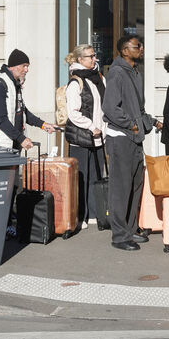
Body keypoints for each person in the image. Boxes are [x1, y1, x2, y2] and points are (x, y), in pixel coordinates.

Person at [102, 35, 162, 252]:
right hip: (120, 138)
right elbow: (110, 108)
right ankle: (119, 237)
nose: (141, 48)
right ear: (125, 50)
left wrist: (151, 122)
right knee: (121, 188)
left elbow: (138, 108)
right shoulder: (117, 73)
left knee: (135, 185)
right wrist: (131, 126)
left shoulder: (135, 71)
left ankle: (130, 229)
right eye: (137, 46)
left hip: (134, 138)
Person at [0, 49, 57, 150]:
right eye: (24, 66)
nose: (26, 70)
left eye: (27, 66)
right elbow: (1, 119)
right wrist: (21, 139)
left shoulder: (14, 84)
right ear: (13, 66)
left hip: (12, 144)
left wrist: (43, 125)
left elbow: (22, 112)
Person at [63, 44, 107, 229]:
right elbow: (73, 113)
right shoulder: (76, 82)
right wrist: (91, 126)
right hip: (82, 137)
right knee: (81, 178)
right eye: (90, 56)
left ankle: (95, 214)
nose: (94, 59)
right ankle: (80, 216)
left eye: (94, 55)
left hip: (99, 136)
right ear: (80, 60)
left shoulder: (99, 78)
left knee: (96, 176)